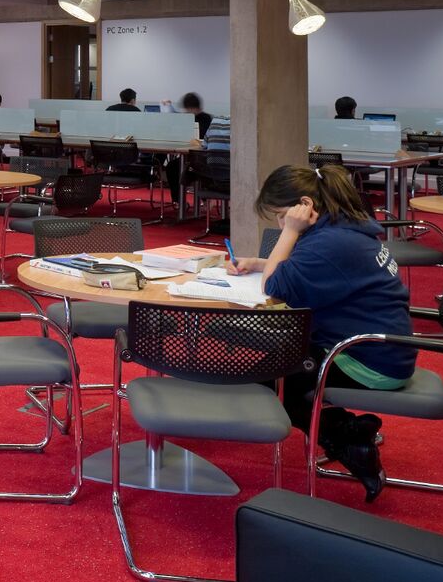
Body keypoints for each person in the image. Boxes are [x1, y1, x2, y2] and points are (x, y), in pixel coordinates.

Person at [226, 164, 413, 502]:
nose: (280, 224)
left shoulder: (329, 242)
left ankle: (351, 440)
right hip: (380, 349)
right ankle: (351, 432)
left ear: (304, 206)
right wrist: (257, 262)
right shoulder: (343, 229)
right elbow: (302, 271)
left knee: (271, 387)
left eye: (281, 215)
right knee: (272, 375)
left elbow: (275, 287)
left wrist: (289, 232)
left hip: (367, 359)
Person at [160, 92, 213, 203]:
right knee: (171, 167)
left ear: (195, 108)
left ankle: (206, 199)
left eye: (188, 109)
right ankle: (178, 200)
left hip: (203, 158)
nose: (187, 111)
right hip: (188, 157)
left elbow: (202, 137)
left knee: (192, 169)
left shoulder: (206, 119)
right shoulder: (186, 118)